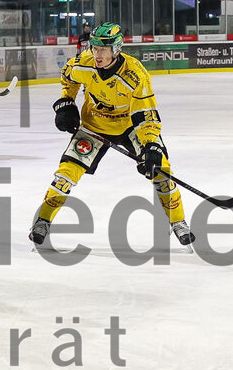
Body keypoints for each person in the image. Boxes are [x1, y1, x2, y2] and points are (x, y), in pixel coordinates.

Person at [28, 22, 195, 247]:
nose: (97, 54)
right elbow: (68, 77)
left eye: (103, 50)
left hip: (129, 126)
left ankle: (178, 222)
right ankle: (43, 220)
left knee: (161, 172)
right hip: (93, 125)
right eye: (94, 48)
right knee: (65, 175)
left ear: (116, 50)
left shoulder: (135, 75)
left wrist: (151, 145)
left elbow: (145, 116)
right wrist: (67, 101)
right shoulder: (84, 63)